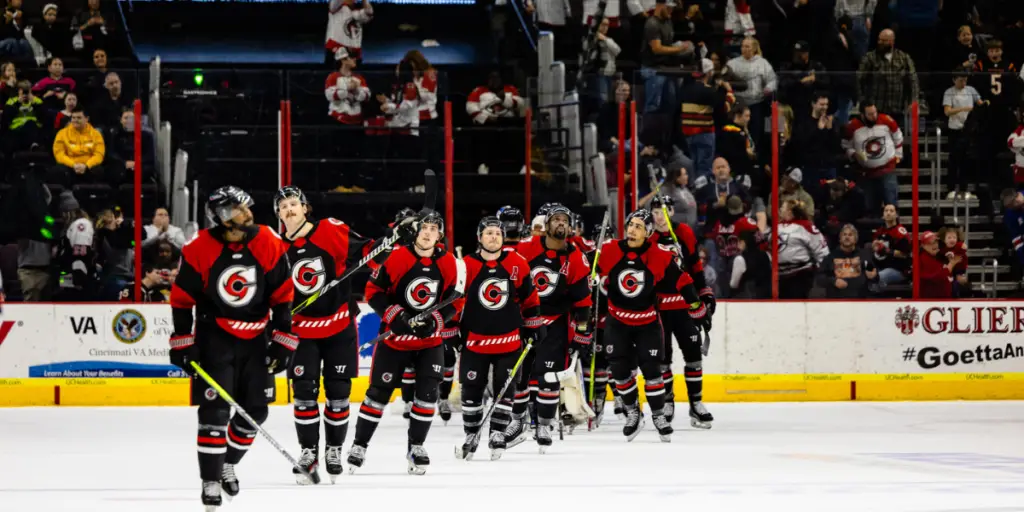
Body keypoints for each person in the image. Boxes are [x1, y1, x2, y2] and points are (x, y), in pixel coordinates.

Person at [167, 186, 297, 509]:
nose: (247, 214)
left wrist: (283, 338)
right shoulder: (199, 249)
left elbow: (282, 295)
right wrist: (183, 341)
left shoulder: (268, 240)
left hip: (256, 338)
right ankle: (210, 481)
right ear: (223, 217)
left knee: (257, 411)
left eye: (246, 207)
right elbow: (183, 300)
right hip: (215, 339)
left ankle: (227, 464)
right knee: (215, 411)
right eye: (239, 210)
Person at [274, 186, 409, 484]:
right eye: (283, 206)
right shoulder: (276, 248)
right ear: (279, 215)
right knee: (305, 394)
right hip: (301, 332)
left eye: (294, 203)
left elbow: (368, 254)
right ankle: (309, 451)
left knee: (338, 394)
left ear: (305, 207)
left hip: (338, 326)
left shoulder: (330, 230)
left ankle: (333, 450)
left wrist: (394, 235)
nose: (289, 209)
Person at [349, 210, 461, 475]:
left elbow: (456, 300)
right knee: (377, 395)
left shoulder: (448, 262)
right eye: (424, 227)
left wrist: (435, 320)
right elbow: (373, 291)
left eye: (434, 229)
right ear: (417, 231)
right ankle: (359, 445)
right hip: (395, 342)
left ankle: (417, 446)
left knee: (426, 397)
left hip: (429, 343)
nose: (428, 232)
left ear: (440, 235)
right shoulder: (397, 256)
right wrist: (394, 315)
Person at [593, 209, 710, 442]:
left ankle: (658, 415)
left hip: (647, 323)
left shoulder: (659, 254)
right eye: (630, 225)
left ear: (648, 232)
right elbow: (584, 266)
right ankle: (633, 412)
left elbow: (683, 280)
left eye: (638, 226)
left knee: (653, 371)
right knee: (619, 371)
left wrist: (696, 304)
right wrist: (588, 275)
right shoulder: (609, 250)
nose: (632, 230)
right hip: (617, 322)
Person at [455, 216, 542, 460]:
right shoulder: (465, 265)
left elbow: (530, 299)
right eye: (488, 233)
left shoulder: (518, 263)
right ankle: (471, 433)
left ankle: (497, 433)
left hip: (509, 340)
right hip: (474, 341)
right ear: (479, 237)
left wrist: (535, 324)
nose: (493, 237)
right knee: (471, 390)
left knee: (506, 388)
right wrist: (451, 329)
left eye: (497, 233)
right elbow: (453, 302)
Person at [511, 204, 592, 452]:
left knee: (548, 376)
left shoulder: (576, 257)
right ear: (546, 225)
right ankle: (516, 421)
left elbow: (583, 302)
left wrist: (582, 332)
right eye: (555, 219)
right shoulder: (526, 249)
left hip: (555, 324)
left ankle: (544, 424)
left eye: (564, 220)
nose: (560, 223)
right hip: (525, 321)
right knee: (520, 374)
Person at [648, 195, 715, 428]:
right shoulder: (648, 237)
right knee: (663, 359)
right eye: (655, 211)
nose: (659, 216)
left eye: (663, 211)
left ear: (672, 212)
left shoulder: (684, 232)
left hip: (685, 305)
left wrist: (705, 293)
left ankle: (696, 404)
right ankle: (668, 401)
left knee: (693, 356)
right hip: (659, 308)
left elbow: (696, 266)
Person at [776, 200, 829, 299]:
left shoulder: (806, 226)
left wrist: (823, 271)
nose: (779, 210)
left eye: (782, 207)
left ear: (790, 211)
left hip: (799, 275)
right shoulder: (777, 227)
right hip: (779, 276)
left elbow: (821, 249)